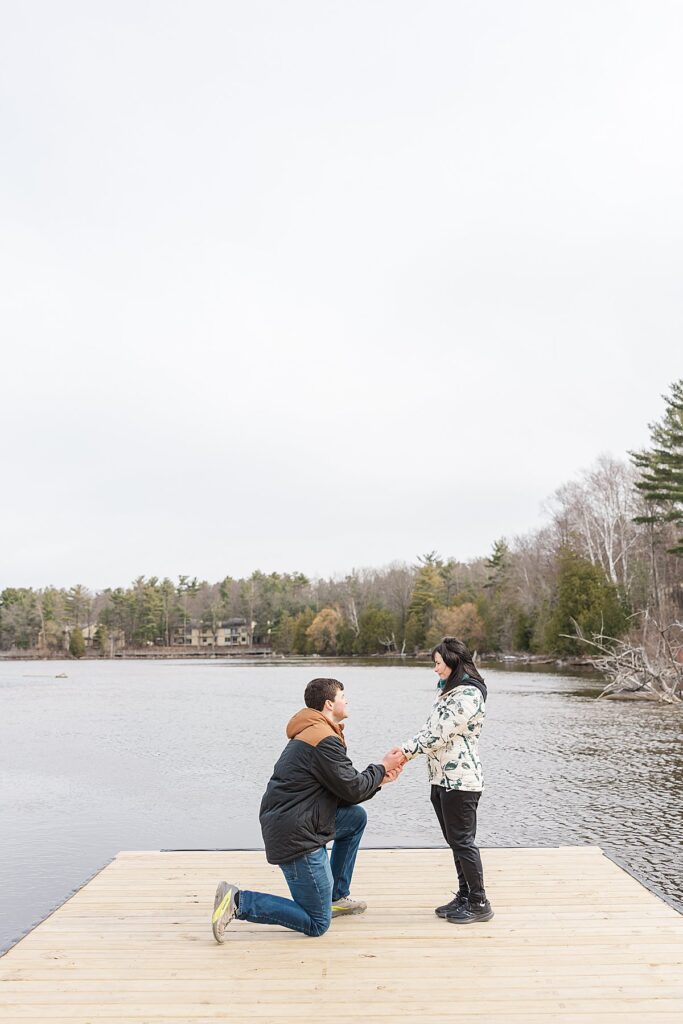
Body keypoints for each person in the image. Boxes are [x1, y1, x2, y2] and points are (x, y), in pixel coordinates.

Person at [211, 676, 404, 941]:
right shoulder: (323, 739)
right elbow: (352, 788)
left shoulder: (317, 732)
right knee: (317, 922)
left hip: (299, 820)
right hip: (296, 832)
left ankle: (335, 897)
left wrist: (379, 779)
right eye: (343, 696)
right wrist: (381, 767)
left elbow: (344, 792)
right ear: (329, 704)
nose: (347, 700)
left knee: (355, 818)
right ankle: (238, 901)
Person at [390, 636, 493, 923]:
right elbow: (430, 729)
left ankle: (479, 901)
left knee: (463, 841)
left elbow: (438, 734)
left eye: (437, 663)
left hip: (461, 780)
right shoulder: (448, 692)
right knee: (454, 840)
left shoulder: (468, 695)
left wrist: (403, 752)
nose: (435, 669)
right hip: (442, 778)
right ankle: (464, 895)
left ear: (452, 661)